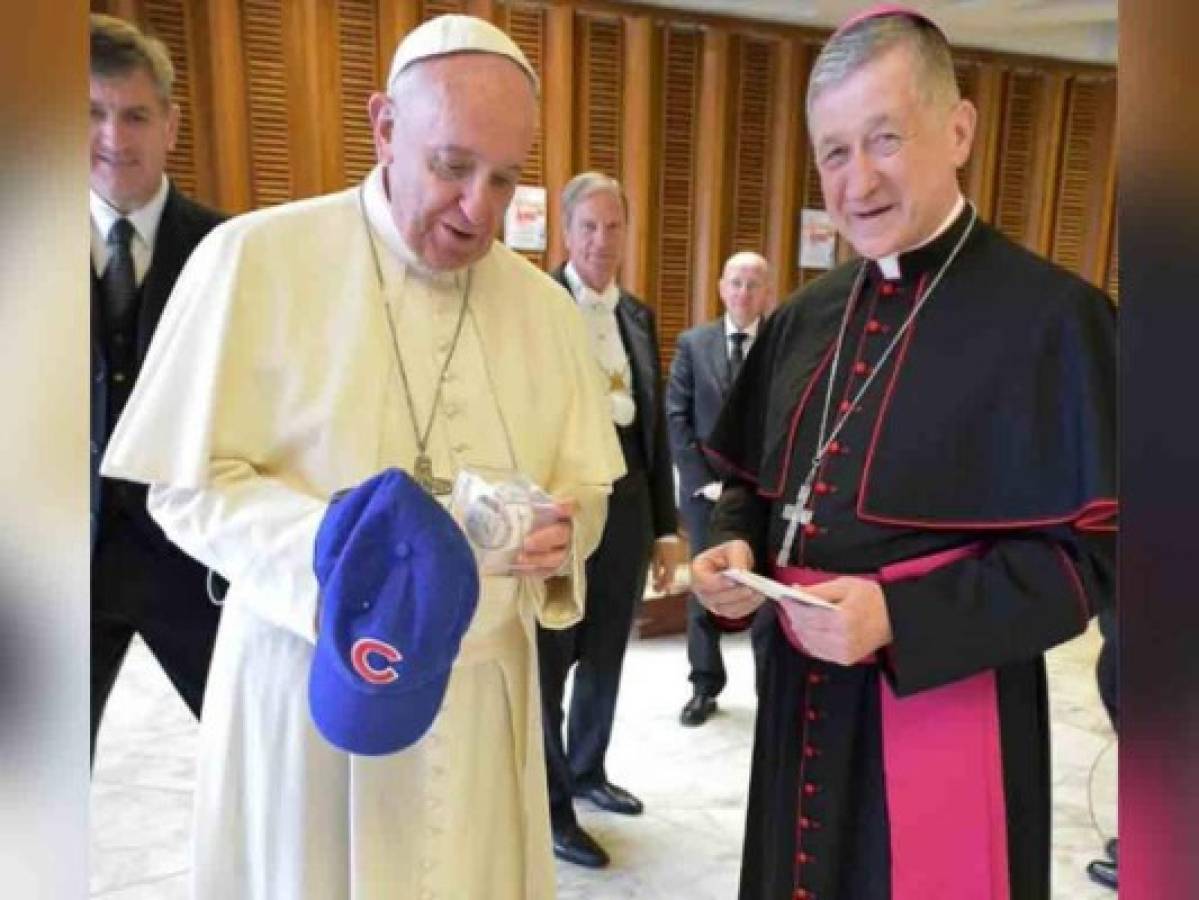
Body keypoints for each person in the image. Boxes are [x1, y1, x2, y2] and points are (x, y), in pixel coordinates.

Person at [101, 14, 624, 900]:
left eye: (505, 179)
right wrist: (342, 562)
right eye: (452, 167)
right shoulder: (254, 259)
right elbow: (184, 487)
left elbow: (585, 484)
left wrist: (558, 537)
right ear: (383, 127)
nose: (479, 212)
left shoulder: (542, 309)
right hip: (310, 686)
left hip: (479, 698)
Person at [690, 7, 1116, 899]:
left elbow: (1091, 562)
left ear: (957, 130)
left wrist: (898, 619)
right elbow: (752, 488)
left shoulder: (1053, 321)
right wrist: (732, 549)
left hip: (946, 708)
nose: (857, 179)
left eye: (884, 137)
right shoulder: (804, 316)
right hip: (799, 709)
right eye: (834, 152)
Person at [89, 14, 225, 762]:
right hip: (56, 571)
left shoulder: (226, 250)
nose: (115, 136)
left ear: (170, 123)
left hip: (191, 559)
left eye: (135, 114)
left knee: (255, 749)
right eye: (93, 113)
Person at [538, 171, 682, 868]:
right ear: (567, 232)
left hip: (625, 503)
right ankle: (552, 803)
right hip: (561, 507)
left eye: (613, 227)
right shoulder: (534, 306)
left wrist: (662, 526)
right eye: (588, 227)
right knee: (550, 658)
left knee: (605, 652)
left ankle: (588, 770)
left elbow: (653, 427)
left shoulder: (639, 316)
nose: (601, 241)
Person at [667, 251, 773, 726]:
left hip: (764, 494)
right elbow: (677, 417)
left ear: (766, 292)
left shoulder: (779, 343)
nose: (744, 293)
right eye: (736, 283)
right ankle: (704, 685)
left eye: (754, 285)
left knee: (765, 588)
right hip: (705, 490)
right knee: (704, 589)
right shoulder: (694, 343)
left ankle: (770, 689)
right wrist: (703, 481)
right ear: (720, 287)